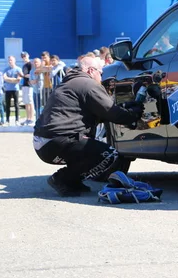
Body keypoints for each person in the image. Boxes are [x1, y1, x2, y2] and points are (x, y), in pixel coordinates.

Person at [33, 56, 144, 196]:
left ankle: (73, 182)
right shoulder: (88, 85)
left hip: (44, 143)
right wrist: (132, 115)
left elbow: (99, 112)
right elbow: (111, 112)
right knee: (109, 155)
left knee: (86, 147)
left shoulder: (70, 82)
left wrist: (124, 109)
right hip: (58, 141)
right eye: (101, 72)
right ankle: (62, 178)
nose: (102, 76)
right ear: (91, 71)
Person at [3, 55, 23, 126]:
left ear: (14, 61)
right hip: (8, 89)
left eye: (11, 60)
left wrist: (9, 79)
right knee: (7, 105)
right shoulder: (6, 69)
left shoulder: (18, 69)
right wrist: (12, 80)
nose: (10, 61)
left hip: (15, 89)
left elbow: (18, 80)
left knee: (16, 105)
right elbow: (4, 78)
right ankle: (7, 121)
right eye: (9, 60)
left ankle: (17, 120)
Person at [20, 52, 35, 126]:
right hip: (24, 85)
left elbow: (31, 74)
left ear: (28, 56)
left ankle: (31, 118)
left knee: (30, 102)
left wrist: (24, 75)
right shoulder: (24, 65)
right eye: (22, 56)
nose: (24, 57)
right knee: (26, 102)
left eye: (25, 56)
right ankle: (28, 118)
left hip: (30, 85)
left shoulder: (30, 64)